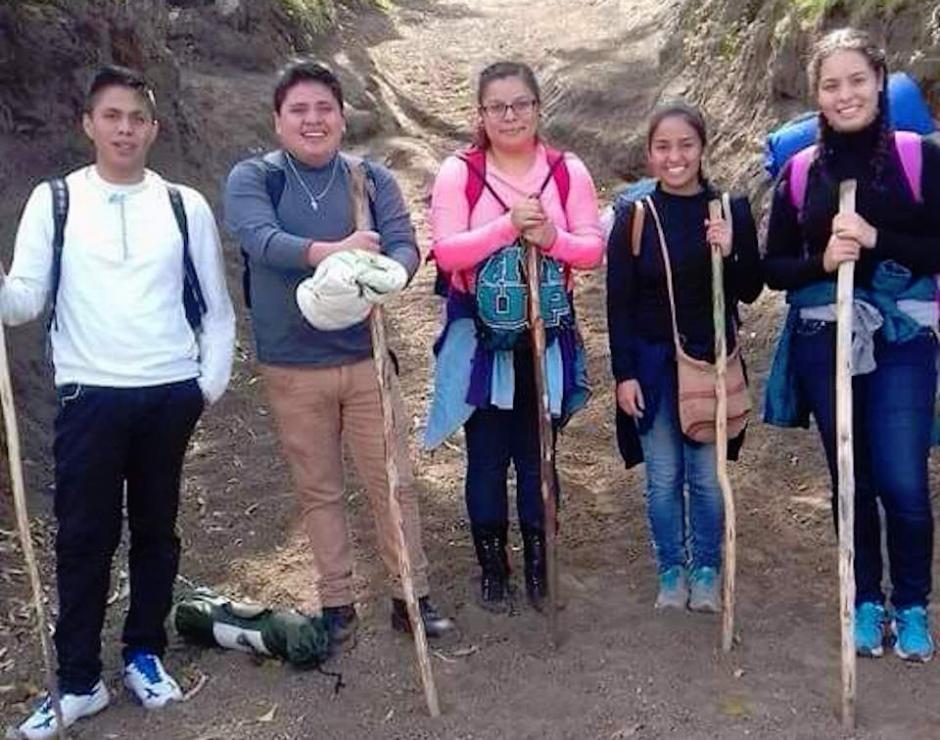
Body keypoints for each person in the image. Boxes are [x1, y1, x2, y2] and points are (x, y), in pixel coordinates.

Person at [2, 65, 235, 739]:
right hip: (89, 395)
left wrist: (205, 387)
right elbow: (21, 302)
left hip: (168, 394)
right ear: (89, 123)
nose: (125, 128)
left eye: (136, 117)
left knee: (156, 532)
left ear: (153, 128)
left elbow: (217, 312)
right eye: (112, 115)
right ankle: (78, 682)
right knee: (83, 538)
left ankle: (144, 653)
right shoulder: (56, 202)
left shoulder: (182, 205)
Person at [224, 59, 453, 648]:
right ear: (278, 121)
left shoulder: (369, 180)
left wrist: (387, 273)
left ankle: (411, 595)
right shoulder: (255, 179)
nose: (313, 119)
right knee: (318, 487)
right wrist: (338, 252)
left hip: (367, 361)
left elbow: (405, 244)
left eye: (324, 107)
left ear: (342, 117)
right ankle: (337, 602)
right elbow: (261, 240)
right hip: (293, 365)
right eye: (298, 110)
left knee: (393, 480)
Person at [763, 28, 940, 662]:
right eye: (831, 85)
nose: (846, 95)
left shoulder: (920, 157)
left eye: (857, 80)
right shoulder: (800, 172)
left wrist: (874, 238)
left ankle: (912, 605)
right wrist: (821, 259)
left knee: (902, 479)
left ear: (879, 81)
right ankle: (865, 598)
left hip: (903, 339)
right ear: (816, 95)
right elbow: (771, 269)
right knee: (852, 477)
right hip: (823, 339)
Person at [425, 61, 603, 612]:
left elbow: (592, 249)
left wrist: (550, 235)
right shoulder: (461, 173)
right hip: (479, 337)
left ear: (538, 108)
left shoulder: (566, 170)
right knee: (485, 454)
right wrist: (506, 228)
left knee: (539, 454)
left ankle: (537, 562)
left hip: (545, 336)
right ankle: (492, 564)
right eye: (497, 106)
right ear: (480, 114)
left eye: (521, 104)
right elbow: (447, 251)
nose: (510, 116)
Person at [606, 102, 762, 612]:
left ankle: (707, 570)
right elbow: (618, 302)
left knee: (706, 476)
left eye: (685, 145)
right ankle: (671, 568)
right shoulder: (634, 216)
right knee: (663, 476)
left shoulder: (728, 208)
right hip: (651, 367)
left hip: (710, 365)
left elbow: (750, 290)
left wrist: (733, 248)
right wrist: (623, 374)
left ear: (702, 148)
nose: (675, 157)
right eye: (663, 147)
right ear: (650, 154)